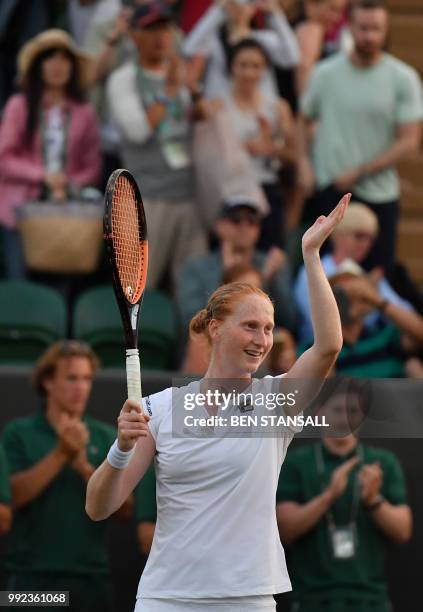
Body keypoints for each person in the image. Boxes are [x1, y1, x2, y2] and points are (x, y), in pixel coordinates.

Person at [86, 193, 351, 611]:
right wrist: (120, 450)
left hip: (248, 598)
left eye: (268, 328)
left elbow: (329, 346)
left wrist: (311, 254)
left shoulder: (276, 403)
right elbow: (99, 507)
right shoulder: (159, 408)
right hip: (166, 598)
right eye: (249, 326)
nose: (262, 340)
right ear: (215, 329)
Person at [1, 341, 132, 612]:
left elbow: (126, 509)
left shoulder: (108, 436)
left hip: (91, 580)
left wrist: (85, 468)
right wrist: (61, 454)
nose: (81, 387)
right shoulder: (18, 433)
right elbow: (11, 498)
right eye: (72, 378)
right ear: (48, 382)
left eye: (87, 379)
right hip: (30, 580)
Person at [298, 0, 423, 273]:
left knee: (377, 276)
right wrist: (304, 164)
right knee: (329, 276)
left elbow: (409, 141)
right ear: (349, 27)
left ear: (386, 30)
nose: (368, 36)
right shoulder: (325, 73)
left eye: (376, 29)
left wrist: (361, 171)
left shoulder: (403, 78)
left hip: (379, 195)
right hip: (330, 190)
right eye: (362, 28)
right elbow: (303, 120)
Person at [276, 385, 412, 612]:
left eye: (353, 410)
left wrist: (373, 500)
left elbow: (403, 531)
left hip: (370, 600)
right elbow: (284, 530)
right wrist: (329, 496)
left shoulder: (381, 462)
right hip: (313, 600)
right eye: (337, 410)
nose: (345, 418)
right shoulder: (297, 462)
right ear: (319, 413)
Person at [107, 1, 207, 292]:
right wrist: (169, 93)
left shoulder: (181, 73)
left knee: (195, 292)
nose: (161, 36)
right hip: (146, 200)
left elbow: (196, 122)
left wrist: (196, 93)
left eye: (165, 28)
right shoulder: (122, 79)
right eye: (151, 29)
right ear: (133, 35)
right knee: (138, 290)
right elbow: (138, 132)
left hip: (188, 196)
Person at [0, 29, 101, 279]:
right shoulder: (19, 106)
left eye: (64, 58)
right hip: (20, 211)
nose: (58, 65)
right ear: (38, 65)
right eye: (50, 58)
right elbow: (4, 158)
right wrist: (43, 175)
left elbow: (93, 165)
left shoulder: (83, 111)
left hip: (69, 213)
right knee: (19, 280)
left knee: (63, 280)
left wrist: (68, 184)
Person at [208, 38, 297, 250]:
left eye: (256, 66)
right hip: (231, 191)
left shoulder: (278, 107)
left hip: (267, 188)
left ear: (264, 69)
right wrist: (245, 146)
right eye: (243, 65)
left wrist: (273, 148)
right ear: (232, 68)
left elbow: (293, 155)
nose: (249, 73)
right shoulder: (217, 106)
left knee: (269, 254)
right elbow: (209, 156)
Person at [294, 202, 415, 344]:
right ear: (339, 234)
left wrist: (374, 296)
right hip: (320, 350)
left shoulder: (368, 275)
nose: (366, 244)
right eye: (359, 236)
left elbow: (408, 313)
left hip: (369, 347)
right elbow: (315, 321)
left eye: (370, 238)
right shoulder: (312, 268)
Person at [177, 196, 296, 335]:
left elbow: (289, 322)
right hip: (211, 344)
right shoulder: (196, 267)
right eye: (236, 220)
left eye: (252, 221)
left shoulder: (271, 263)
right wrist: (226, 281)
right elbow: (192, 323)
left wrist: (270, 281)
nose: (244, 227)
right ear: (219, 225)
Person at [183, 0, 300, 99]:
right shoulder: (214, 41)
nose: (240, 8)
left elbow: (292, 58)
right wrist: (218, 11)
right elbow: (189, 49)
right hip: (221, 113)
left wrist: (275, 14)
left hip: (259, 115)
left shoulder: (265, 39)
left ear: (254, 8)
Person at [295, 0, 348, 94]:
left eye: (340, 11)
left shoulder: (304, 28)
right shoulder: (313, 29)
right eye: (332, 10)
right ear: (311, 4)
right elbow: (304, 71)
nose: (337, 17)